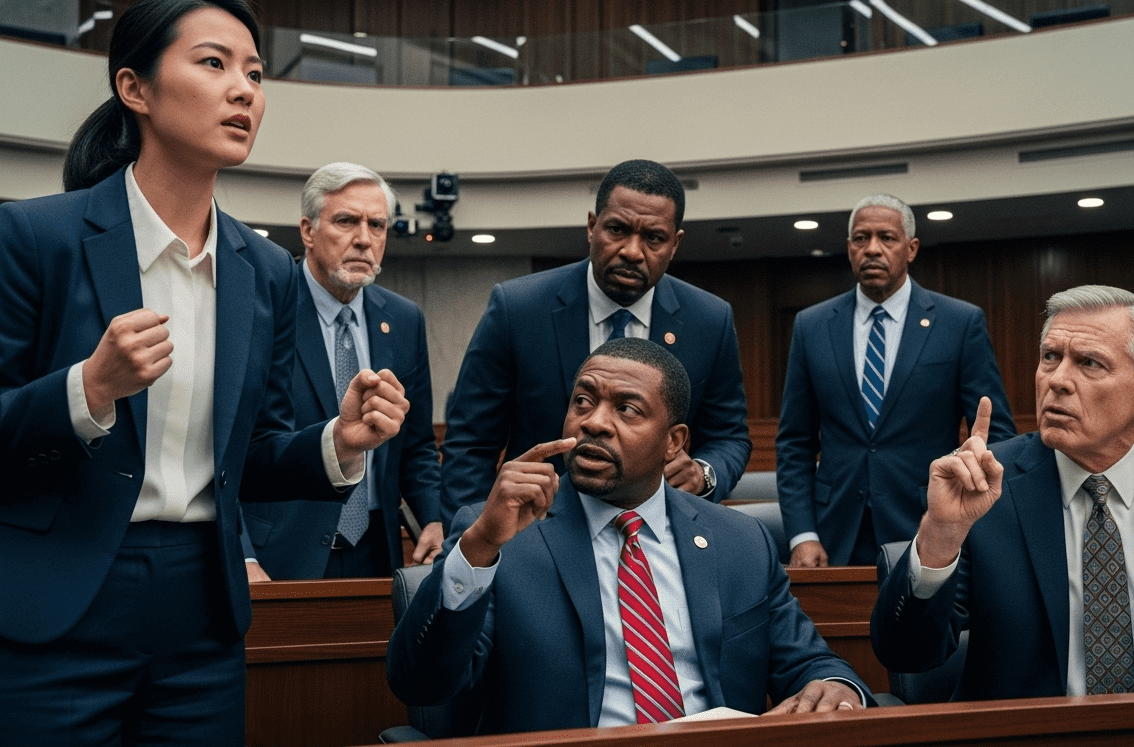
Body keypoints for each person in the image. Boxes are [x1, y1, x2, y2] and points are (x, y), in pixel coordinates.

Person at [0, 0, 407, 743]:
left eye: (255, 73)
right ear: (135, 88)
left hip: (201, 613)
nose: (244, 90)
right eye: (214, 63)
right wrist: (89, 389)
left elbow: (251, 454)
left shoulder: (266, 270)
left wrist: (338, 444)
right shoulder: (34, 236)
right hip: (50, 600)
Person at [389, 338, 872, 735]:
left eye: (627, 409)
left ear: (673, 442)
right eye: (583, 401)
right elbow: (421, 683)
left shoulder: (741, 541)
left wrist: (838, 686)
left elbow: (809, 664)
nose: (594, 422)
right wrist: (477, 549)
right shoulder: (499, 534)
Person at [871, 285, 1134, 700]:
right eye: (1050, 357)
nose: (1057, 380)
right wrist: (940, 535)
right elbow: (905, 654)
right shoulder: (982, 487)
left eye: (1089, 363)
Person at [438, 159, 750, 523]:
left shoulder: (709, 320)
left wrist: (704, 473)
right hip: (538, 528)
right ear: (592, 227)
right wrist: (473, 538)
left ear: (674, 244)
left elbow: (729, 437)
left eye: (653, 238)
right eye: (617, 229)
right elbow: (470, 444)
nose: (632, 251)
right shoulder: (519, 308)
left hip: (653, 532)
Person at [776, 193, 1015, 566]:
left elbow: (996, 432)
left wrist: (972, 521)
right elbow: (795, 443)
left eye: (886, 238)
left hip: (929, 526)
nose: (872, 249)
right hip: (835, 533)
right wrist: (802, 535)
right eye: (861, 238)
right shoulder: (812, 326)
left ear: (911, 248)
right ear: (849, 247)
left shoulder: (959, 323)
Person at [240, 163, 443, 580]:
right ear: (308, 231)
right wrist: (242, 555)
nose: (364, 239)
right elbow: (231, 450)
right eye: (347, 221)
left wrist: (434, 518)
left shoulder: (404, 319)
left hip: (377, 551)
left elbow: (417, 445)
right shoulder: (262, 310)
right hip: (279, 552)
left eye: (377, 225)